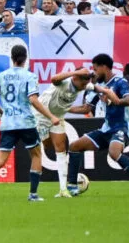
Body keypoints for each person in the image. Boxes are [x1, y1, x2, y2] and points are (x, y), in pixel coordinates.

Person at [63, 53, 129, 198]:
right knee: (74, 146)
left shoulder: (120, 82)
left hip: (121, 128)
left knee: (114, 152)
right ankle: (72, 186)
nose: (94, 72)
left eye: (95, 69)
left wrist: (115, 100)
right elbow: (86, 108)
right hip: (106, 129)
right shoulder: (98, 87)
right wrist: (63, 108)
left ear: (104, 67)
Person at [0, 43, 57, 203]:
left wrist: (3, 113)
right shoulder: (30, 76)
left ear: (12, 58)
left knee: (1, 159)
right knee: (36, 155)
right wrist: (51, 116)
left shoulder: (1, 76)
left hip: (8, 123)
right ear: (25, 58)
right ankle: (33, 194)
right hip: (26, 122)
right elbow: (33, 99)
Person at [36, 67, 92, 197]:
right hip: (42, 115)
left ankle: (63, 189)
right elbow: (54, 78)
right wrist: (75, 72)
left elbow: (98, 89)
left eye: (85, 85)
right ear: (75, 78)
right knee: (48, 146)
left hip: (58, 116)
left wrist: (107, 92)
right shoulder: (63, 82)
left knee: (61, 149)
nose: (83, 87)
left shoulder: (84, 86)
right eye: (82, 84)